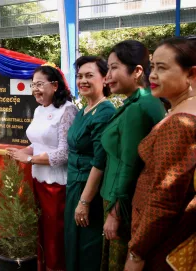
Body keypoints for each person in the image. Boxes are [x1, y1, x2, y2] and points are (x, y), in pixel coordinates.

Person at [125, 37, 196, 271]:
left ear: (191, 74)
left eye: (162, 68)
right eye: (152, 67)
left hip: (161, 242)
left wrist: (137, 252)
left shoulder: (181, 123)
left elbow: (165, 199)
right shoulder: (179, 111)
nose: (152, 75)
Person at [99, 40, 166, 270]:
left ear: (137, 71)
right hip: (125, 199)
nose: (107, 75)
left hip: (123, 204)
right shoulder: (142, 102)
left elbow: (130, 164)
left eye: (114, 67)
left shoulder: (139, 107)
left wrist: (115, 213)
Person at [7, 65, 77, 271]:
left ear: (55, 85)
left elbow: (65, 153)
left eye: (39, 84)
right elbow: (38, 143)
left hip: (57, 186)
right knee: (42, 233)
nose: (35, 89)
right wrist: (23, 152)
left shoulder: (67, 110)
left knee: (56, 236)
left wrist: (29, 160)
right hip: (37, 179)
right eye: (33, 85)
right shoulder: (38, 110)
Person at [65, 56, 116, 271]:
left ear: (105, 79)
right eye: (79, 76)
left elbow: (100, 161)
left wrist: (84, 202)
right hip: (74, 185)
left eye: (89, 75)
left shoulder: (105, 112)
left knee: (87, 248)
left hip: (89, 190)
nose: (83, 80)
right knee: (72, 243)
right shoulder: (85, 109)